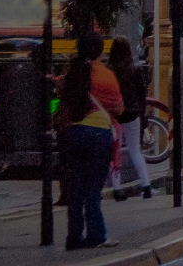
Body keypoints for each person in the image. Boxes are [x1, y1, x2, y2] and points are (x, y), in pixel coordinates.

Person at [59, 33, 123, 250]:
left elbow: (64, 107)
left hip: (74, 134)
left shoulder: (71, 75)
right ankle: (96, 235)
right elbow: (118, 108)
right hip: (98, 134)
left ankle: (73, 237)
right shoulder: (105, 76)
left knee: (75, 189)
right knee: (93, 189)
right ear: (99, 51)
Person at [105, 37, 151, 201]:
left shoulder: (110, 71)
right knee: (135, 150)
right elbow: (142, 95)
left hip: (114, 115)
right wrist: (142, 113)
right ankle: (146, 186)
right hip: (132, 114)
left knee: (114, 150)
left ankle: (117, 189)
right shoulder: (135, 70)